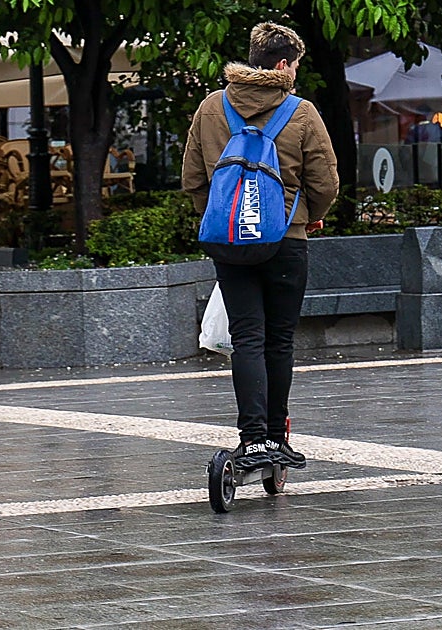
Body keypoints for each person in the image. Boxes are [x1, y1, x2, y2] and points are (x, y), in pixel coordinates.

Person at [182, 22, 339, 471]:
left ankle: (251, 442)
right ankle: (275, 438)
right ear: (286, 64)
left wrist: (220, 215)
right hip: (286, 240)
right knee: (279, 340)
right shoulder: (302, 112)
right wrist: (308, 212)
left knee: (247, 336)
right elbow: (325, 182)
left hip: (229, 242)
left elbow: (193, 179)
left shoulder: (212, 108)